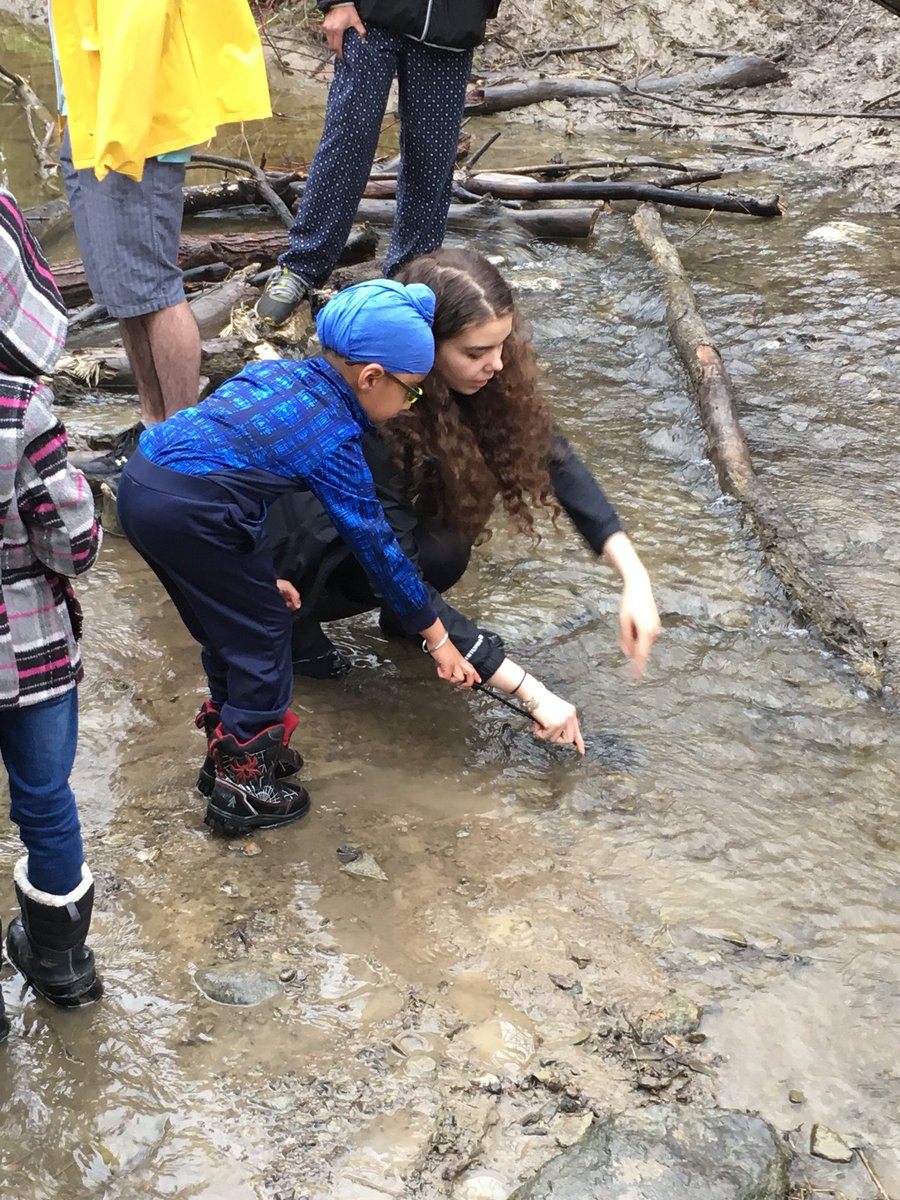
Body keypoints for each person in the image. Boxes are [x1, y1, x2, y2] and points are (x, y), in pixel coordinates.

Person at [116, 280, 480, 839]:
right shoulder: (334, 435)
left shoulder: (276, 373)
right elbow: (379, 547)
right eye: (412, 393)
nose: (409, 406)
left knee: (230, 627)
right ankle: (244, 787)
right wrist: (437, 635)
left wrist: (263, 571)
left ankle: (232, 750)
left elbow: (237, 478)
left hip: (143, 484)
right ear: (372, 377)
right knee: (264, 634)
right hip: (195, 511)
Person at [267, 249, 661, 749]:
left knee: (446, 550)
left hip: (362, 531)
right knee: (340, 636)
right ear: (423, 350)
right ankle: (294, 627)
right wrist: (534, 694)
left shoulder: (489, 377)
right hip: (285, 547)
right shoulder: (367, 403)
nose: (496, 364)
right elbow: (391, 559)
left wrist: (635, 577)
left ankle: (415, 625)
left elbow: (556, 459)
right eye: (476, 353)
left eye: (502, 346)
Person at [49, 0, 272, 483]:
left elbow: (144, 21)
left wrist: (122, 130)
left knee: (153, 287)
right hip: (92, 111)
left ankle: (182, 450)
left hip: (131, 124)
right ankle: (153, 429)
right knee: (125, 289)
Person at [0, 190, 103, 1035]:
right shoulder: (19, 411)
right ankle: (63, 964)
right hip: (28, 659)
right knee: (46, 800)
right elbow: (73, 544)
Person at [255, 0, 501, 327]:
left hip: (451, 27)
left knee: (432, 159)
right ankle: (301, 268)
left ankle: (409, 280)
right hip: (370, 17)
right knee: (347, 143)